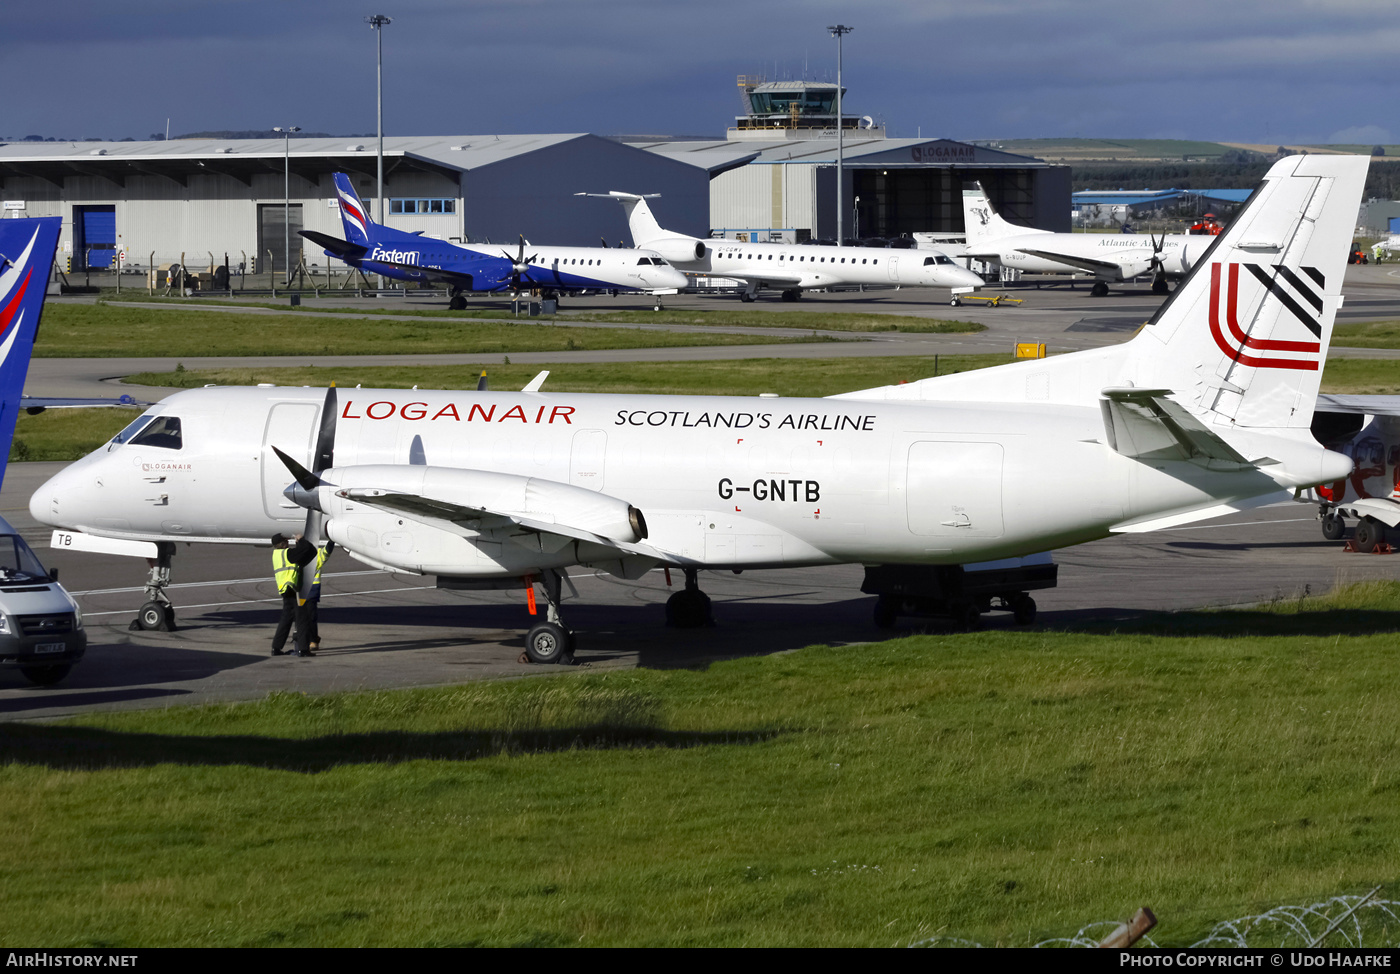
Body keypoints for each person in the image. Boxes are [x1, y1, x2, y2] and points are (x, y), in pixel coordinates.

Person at [270, 532, 317, 657]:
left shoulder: (277, 555)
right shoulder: (288, 554)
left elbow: (310, 553)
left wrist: (301, 545)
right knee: (302, 619)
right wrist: (301, 540)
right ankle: (303, 649)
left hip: (285, 590)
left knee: (286, 619)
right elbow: (307, 549)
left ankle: (276, 647)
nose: (288, 543)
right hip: (293, 589)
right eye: (286, 541)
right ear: (283, 543)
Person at [304, 540, 335, 653]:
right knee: (302, 618)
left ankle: (313, 640)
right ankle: (307, 640)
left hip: (311, 592)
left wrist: (331, 541)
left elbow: (326, 552)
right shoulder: (296, 554)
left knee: (311, 617)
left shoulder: (316, 556)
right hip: (299, 591)